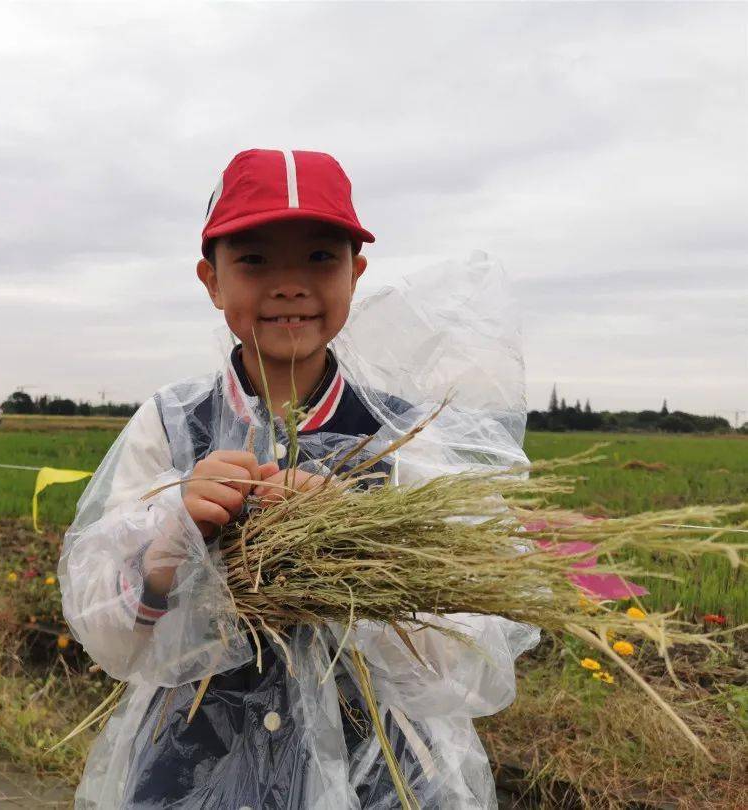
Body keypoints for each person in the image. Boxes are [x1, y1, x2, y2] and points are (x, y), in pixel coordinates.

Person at [59, 149, 537, 809]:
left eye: (319, 257)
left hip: (380, 773)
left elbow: (470, 659)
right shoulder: (172, 425)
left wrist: (361, 548)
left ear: (355, 272)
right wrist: (173, 537)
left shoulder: (406, 439)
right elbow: (106, 630)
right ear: (211, 280)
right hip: (192, 765)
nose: (289, 284)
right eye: (254, 260)